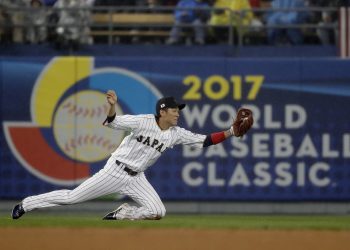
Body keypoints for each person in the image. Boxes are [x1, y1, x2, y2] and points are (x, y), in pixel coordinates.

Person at [12, 90, 251, 220]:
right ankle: (27, 204)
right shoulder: (143, 121)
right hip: (115, 171)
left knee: (158, 212)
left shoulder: (175, 133)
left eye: (179, 110)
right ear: (162, 111)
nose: (178, 113)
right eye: (175, 109)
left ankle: (124, 213)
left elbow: (205, 140)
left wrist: (230, 131)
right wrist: (112, 105)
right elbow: (113, 122)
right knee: (72, 198)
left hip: (137, 178)